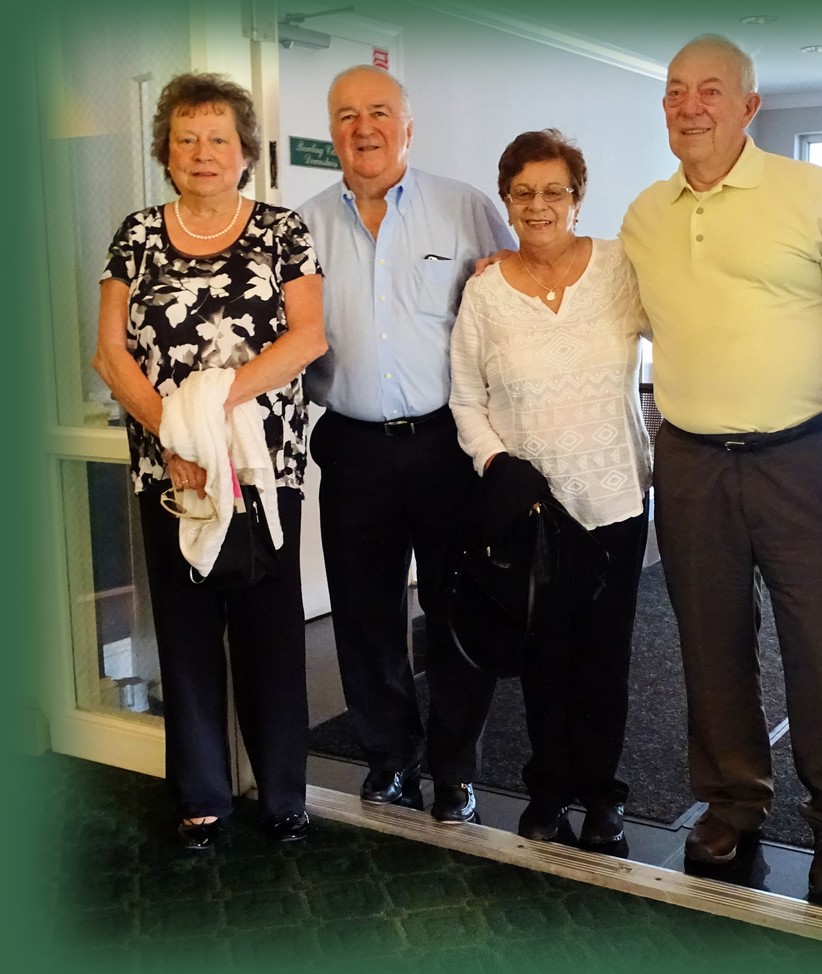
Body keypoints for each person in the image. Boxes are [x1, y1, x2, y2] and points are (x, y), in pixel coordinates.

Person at [619, 35, 822, 898]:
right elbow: (605, 305)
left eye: (710, 90)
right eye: (675, 91)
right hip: (692, 462)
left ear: (749, 106)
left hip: (809, 457)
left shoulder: (813, 193)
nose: (689, 105)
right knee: (709, 645)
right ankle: (732, 803)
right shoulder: (645, 214)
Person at [92, 72, 327, 850]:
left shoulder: (283, 229)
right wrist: (179, 436)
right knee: (186, 632)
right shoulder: (136, 234)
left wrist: (213, 415)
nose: (202, 152)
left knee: (271, 633)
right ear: (166, 152)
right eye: (186, 138)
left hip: (262, 468)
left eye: (218, 138)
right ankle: (200, 794)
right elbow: (111, 353)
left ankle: (283, 794)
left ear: (245, 151)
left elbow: (307, 338)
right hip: (171, 470)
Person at [297, 65, 514, 823]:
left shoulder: (465, 208)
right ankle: (389, 760)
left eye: (380, 112)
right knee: (364, 616)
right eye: (347, 115)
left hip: (447, 445)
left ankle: (455, 771)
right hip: (352, 447)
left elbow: (510, 306)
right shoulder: (301, 227)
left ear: (408, 127)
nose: (364, 128)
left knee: (456, 610)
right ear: (332, 132)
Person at [449, 129, 652, 851]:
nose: (539, 205)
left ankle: (602, 795)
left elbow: (685, 330)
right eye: (523, 192)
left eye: (554, 191)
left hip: (615, 501)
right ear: (507, 201)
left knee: (604, 657)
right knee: (543, 658)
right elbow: (465, 399)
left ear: (578, 198)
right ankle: (548, 792)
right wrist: (496, 462)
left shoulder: (621, 268)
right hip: (533, 513)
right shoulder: (485, 292)